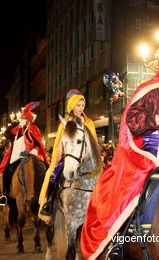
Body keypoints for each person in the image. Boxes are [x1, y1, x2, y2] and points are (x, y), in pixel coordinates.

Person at [80, 12, 159, 260]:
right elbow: (133, 122)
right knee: (132, 186)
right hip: (153, 148)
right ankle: (122, 239)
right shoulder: (148, 89)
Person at [38, 89, 98, 222]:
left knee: (104, 176)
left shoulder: (89, 122)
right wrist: (57, 160)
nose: (81, 108)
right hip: (70, 158)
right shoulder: (66, 122)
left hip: (87, 159)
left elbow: (94, 142)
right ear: (72, 106)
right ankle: (49, 203)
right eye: (78, 105)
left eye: (82, 105)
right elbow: (60, 143)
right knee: (53, 176)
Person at [0, 102, 49, 206]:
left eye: (26, 118)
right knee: (8, 170)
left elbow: (38, 143)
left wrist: (35, 150)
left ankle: (47, 196)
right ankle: (5, 195)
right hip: (17, 156)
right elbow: (7, 135)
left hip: (31, 155)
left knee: (45, 169)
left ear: (30, 119)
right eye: (23, 117)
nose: (24, 119)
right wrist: (18, 127)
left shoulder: (34, 129)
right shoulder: (16, 126)